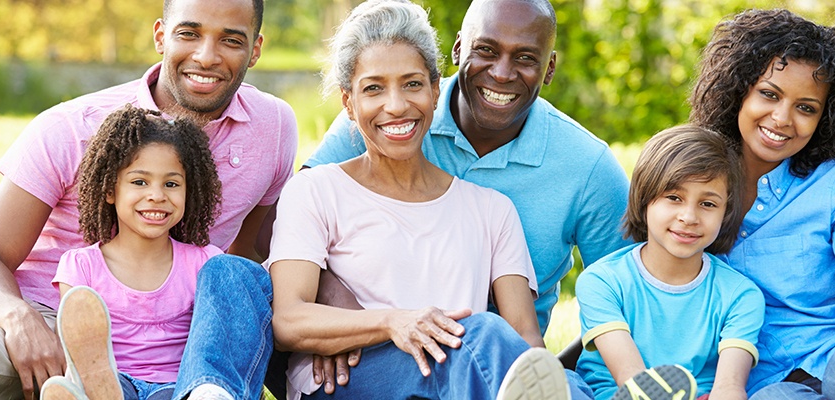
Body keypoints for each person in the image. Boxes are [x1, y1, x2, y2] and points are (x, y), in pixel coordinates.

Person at [0, 0, 297, 398]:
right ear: (161, 35)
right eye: (189, 34)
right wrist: (16, 318)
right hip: (54, 321)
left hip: (178, 339)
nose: (206, 56)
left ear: (256, 49)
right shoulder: (74, 127)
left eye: (230, 40)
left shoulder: (273, 126)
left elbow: (258, 254)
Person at [263, 1, 592, 399]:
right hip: (351, 379)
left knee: (533, 365)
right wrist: (391, 323)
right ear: (348, 103)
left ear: (436, 90)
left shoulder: (492, 209)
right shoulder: (315, 190)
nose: (397, 105)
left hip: (463, 377)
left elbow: (525, 338)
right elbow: (289, 320)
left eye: (412, 84)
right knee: (482, 332)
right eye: (373, 89)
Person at [303, 0, 631, 337]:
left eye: (525, 58)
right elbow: (287, 224)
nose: (502, 73)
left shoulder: (588, 167)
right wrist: (338, 309)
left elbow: (635, 297)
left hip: (501, 361)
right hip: (377, 342)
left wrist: (559, 372)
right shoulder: (394, 114)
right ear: (459, 49)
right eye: (486, 50)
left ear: (549, 69)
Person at [690, 8, 835, 399]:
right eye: (769, 94)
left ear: (826, 118)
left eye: (806, 107)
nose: (781, 118)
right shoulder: (691, 179)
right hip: (748, 377)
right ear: (738, 90)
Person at [39, 105, 225, 400]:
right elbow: (73, 341)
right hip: (114, 380)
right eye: (140, 182)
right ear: (110, 191)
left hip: (176, 387)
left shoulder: (206, 263)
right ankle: (92, 389)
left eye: (172, 184)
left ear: (190, 192)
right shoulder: (81, 266)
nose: (157, 195)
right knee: (108, 384)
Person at [575, 125, 764, 400]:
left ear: (726, 213)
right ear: (644, 200)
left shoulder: (741, 297)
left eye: (708, 204)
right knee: (568, 386)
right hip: (615, 395)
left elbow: (729, 388)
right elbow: (633, 380)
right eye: (674, 198)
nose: (689, 216)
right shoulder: (602, 282)